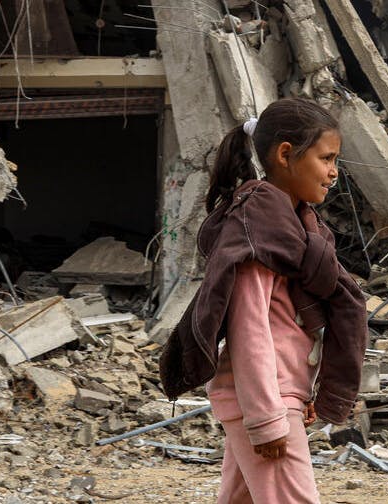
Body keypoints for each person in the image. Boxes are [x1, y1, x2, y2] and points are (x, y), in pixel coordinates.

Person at [161, 98, 368, 503]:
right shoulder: (259, 232)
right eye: (327, 158)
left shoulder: (293, 229)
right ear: (286, 154)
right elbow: (249, 331)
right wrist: (268, 418)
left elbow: (285, 327)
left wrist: (301, 392)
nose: (333, 172)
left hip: (272, 395)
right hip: (260, 399)